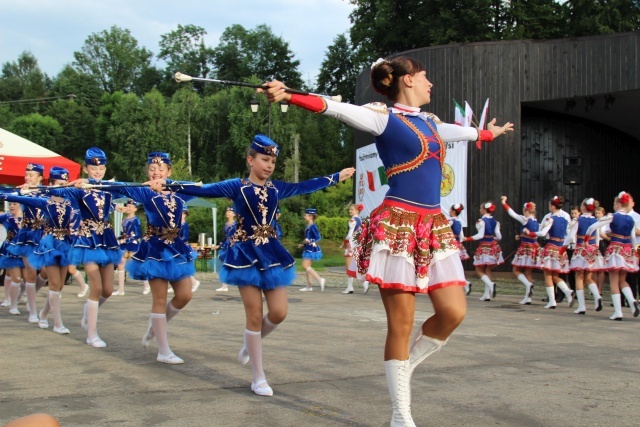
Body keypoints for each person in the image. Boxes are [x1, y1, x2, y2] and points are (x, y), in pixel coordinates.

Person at [262, 56, 513, 425]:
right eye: (426, 77)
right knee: (402, 324)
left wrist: (490, 133)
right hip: (397, 226)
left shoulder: (432, 123)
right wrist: (288, 96)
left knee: (454, 312)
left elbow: (468, 134)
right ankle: (401, 414)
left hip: (434, 226)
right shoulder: (383, 117)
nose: (431, 84)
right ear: (408, 80)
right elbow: (334, 108)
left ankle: (403, 367)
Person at [146, 134, 354, 396]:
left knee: (279, 312)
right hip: (244, 255)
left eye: (272, 161)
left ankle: (249, 344)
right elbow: (203, 189)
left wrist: (336, 177)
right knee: (254, 314)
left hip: (271, 253)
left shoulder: (278, 188)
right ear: (250, 159)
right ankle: (258, 377)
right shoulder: (237, 186)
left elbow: (305, 185)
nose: (269, 165)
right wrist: (170, 184)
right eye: (264, 159)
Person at [109, 152, 197, 364]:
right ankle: (163, 350)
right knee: (159, 298)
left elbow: (199, 187)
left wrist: (171, 184)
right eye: (152, 169)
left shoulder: (180, 192)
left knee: (184, 295)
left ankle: (155, 326)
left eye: (161, 170)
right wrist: (91, 182)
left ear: (169, 172)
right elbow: (117, 187)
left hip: (176, 249)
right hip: (155, 249)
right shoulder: (145, 192)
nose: (156, 173)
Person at [47, 148, 123, 348]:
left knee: (107, 290)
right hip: (87, 240)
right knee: (96, 287)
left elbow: (130, 190)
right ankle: (91, 335)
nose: (97, 171)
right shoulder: (79, 188)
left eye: (101, 168)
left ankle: (87, 312)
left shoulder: (109, 188)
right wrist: (73, 184)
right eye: (93, 167)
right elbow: (57, 192)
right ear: (86, 168)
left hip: (106, 239)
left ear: (105, 169)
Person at [2, 167, 74, 333]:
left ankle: (43, 312)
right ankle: (55, 322)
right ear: (51, 184)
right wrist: (21, 193)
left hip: (64, 243)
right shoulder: (44, 200)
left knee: (59, 285)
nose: (62, 188)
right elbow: (11, 196)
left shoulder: (70, 200)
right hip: (42, 241)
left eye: (65, 184)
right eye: (58, 185)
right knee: (45, 280)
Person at [585, 192, 640, 320]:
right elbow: (632, 237)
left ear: (618, 204)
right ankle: (632, 301)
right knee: (622, 280)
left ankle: (618, 312)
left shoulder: (612, 216)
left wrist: (587, 237)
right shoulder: (630, 219)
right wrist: (633, 252)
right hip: (627, 250)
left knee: (614, 281)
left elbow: (593, 226)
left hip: (615, 249)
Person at [8, 163, 46, 323]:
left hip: (44, 235)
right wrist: (21, 192)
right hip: (28, 235)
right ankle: (33, 311)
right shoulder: (22, 192)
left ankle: (27, 293)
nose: (28, 177)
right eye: (27, 174)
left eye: (31, 175)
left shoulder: (46, 193)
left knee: (44, 272)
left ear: (40, 178)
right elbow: (9, 195)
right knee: (30, 274)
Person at [527, 196, 573, 309]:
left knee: (548, 275)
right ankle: (567, 292)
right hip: (561, 248)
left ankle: (552, 301)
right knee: (556, 275)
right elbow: (569, 235)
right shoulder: (565, 219)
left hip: (551, 247)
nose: (549, 208)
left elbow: (542, 233)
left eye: (549, 206)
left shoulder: (551, 218)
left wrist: (531, 233)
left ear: (553, 206)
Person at [562, 198, 603, 314]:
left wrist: (563, 248)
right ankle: (597, 296)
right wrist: (595, 249)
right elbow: (598, 238)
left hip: (580, 249)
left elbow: (570, 237)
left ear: (583, 208)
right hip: (593, 249)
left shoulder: (577, 220)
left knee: (579, 277)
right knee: (589, 277)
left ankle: (582, 306)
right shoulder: (596, 220)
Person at [501, 196, 539, 305]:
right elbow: (533, 234)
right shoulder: (536, 221)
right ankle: (528, 297)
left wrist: (504, 203)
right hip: (534, 248)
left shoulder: (525, 219)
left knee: (516, 269)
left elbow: (512, 214)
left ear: (526, 211)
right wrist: (521, 236)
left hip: (526, 248)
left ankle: (528, 285)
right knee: (528, 272)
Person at [465, 201, 504, 301]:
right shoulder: (495, 222)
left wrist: (468, 238)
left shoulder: (481, 221)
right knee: (487, 270)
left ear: (484, 209)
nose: (479, 210)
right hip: (493, 246)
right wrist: (493, 237)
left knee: (479, 270)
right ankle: (487, 295)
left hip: (484, 246)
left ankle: (491, 285)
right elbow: (499, 237)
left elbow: (480, 235)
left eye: (480, 208)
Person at [114, 199, 142, 296]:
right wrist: (119, 237)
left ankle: (147, 285)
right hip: (124, 244)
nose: (128, 208)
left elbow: (138, 234)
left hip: (132, 244)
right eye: (128, 206)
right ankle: (121, 289)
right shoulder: (124, 220)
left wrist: (128, 239)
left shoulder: (136, 220)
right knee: (120, 265)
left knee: (138, 265)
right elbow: (125, 233)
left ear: (135, 209)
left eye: (131, 206)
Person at [0, 201, 24, 312]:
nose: (11, 206)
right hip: (10, 250)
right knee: (15, 277)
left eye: (14, 204)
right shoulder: (6, 217)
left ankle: (17, 297)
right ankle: (11, 302)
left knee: (27, 278)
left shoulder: (28, 217)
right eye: (10, 204)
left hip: (24, 250)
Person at [343, 203, 369, 294]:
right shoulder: (360, 220)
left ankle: (353, 286)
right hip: (357, 244)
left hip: (351, 244)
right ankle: (363, 283)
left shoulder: (353, 220)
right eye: (350, 209)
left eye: (351, 209)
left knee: (349, 266)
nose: (350, 211)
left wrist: (345, 242)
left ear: (357, 211)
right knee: (354, 265)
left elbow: (350, 234)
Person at [299, 208, 325, 292]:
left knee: (305, 266)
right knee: (308, 266)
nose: (304, 216)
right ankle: (309, 286)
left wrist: (310, 241)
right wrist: (302, 244)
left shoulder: (313, 226)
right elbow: (307, 238)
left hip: (311, 248)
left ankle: (320, 279)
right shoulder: (308, 226)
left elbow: (318, 237)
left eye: (306, 215)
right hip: (308, 248)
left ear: (311, 216)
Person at [448, 204, 471, 295]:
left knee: (452, 266)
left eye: (450, 210)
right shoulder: (459, 222)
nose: (449, 212)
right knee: (456, 266)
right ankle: (464, 283)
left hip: (450, 246)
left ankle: (463, 284)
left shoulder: (451, 222)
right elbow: (461, 238)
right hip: (457, 245)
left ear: (453, 212)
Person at [213, 206, 237, 292]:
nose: (227, 213)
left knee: (234, 265)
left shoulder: (235, 225)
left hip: (233, 247)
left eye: (230, 212)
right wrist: (219, 245)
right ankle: (224, 286)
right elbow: (225, 237)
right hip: (226, 246)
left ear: (234, 214)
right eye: (227, 211)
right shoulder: (226, 224)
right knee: (225, 264)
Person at [594, 205, 608, 294]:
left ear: (603, 214)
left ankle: (600, 289)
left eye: (599, 213)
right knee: (595, 267)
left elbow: (604, 234)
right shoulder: (594, 222)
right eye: (596, 213)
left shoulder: (605, 223)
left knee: (601, 268)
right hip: (594, 244)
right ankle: (595, 288)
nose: (597, 215)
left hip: (602, 244)